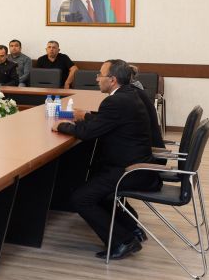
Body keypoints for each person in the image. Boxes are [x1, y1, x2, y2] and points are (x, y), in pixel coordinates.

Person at [54, 59, 161, 260]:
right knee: (95, 189)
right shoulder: (129, 94)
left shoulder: (115, 102)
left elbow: (87, 133)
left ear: (112, 80)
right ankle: (132, 229)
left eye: (100, 75)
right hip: (137, 165)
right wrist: (86, 116)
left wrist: (61, 126)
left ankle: (123, 241)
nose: (97, 78)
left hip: (131, 170)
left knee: (81, 198)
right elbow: (108, 123)